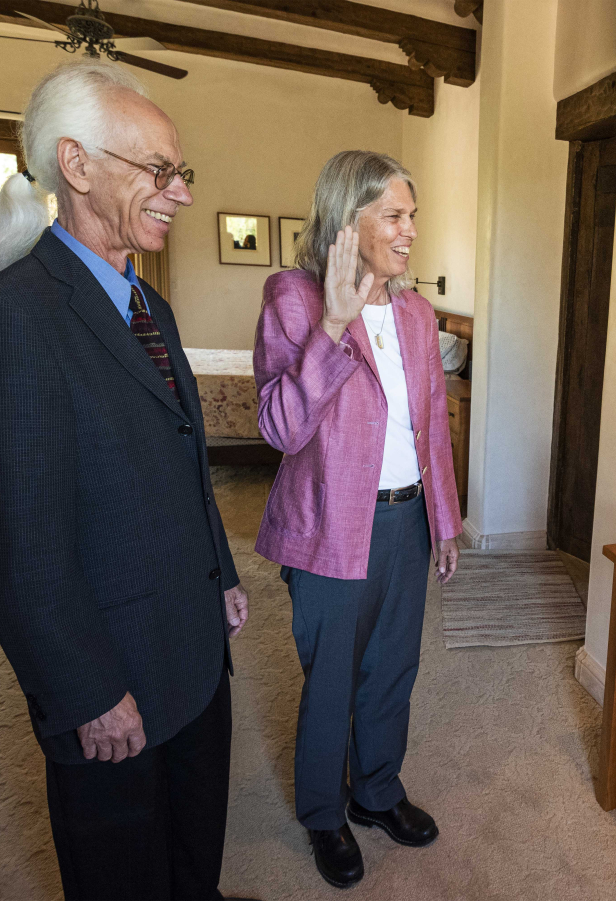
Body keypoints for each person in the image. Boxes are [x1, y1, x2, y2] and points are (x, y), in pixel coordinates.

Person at [0, 62, 251, 900]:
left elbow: (184, 459)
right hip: (117, 685)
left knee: (197, 851)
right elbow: (18, 548)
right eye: (159, 170)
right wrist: (86, 691)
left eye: (180, 171)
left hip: (191, 654)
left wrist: (220, 573)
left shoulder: (149, 306)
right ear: (76, 166)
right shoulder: (12, 319)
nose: (178, 192)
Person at [253, 150, 462, 889]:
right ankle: (323, 813)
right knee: (332, 679)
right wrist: (336, 322)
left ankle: (376, 792)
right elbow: (279, 427)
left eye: (413, 216)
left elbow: (431, 425)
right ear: (351, 219)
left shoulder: (415, 313)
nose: (410, 232)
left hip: (405, 523)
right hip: (328, 527)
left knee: (393, 671)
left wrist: (444, 521)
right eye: (395, 216)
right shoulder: (294, 299)